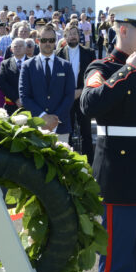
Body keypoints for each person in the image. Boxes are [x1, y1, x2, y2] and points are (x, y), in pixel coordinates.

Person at [80, 4, 136, 272]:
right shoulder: (102, 66)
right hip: (118, 174)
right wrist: (127, 71)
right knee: (117, 255)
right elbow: (89, 103)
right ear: (123, 30)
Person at [18, 24, 74, 141]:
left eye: (51, 40)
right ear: (38, 41)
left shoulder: (66, 66)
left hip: (61, 126)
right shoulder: (27, 66)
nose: (48, 43)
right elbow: (24, 96)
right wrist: (43, 117)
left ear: (55, 42)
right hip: (36, 126)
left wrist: (54, 118)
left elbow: (69, 95)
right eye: (44, 40)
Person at [57, 21, 96, 164]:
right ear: (65, 36)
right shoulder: (58, 54)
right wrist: (68, 93)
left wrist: (82, 90)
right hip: (66, 99)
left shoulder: (89, 52)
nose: (73, 36)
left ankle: (89, 163)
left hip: (83, 96)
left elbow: (93, 75)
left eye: (75, 34)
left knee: (86, 132)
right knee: (67, 132)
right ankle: (70, 162)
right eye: (70, 34)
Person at [0, 37, 29, 115]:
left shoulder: (33, 62)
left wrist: (24, 99)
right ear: (11, 49)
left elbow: (36, 83)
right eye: (15, 46)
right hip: (11, 104)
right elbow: (2, 83)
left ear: (25, 49)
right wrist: (16, 99)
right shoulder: (5, 64)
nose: (18, 48)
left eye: (20, 46)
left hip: (29, 104)